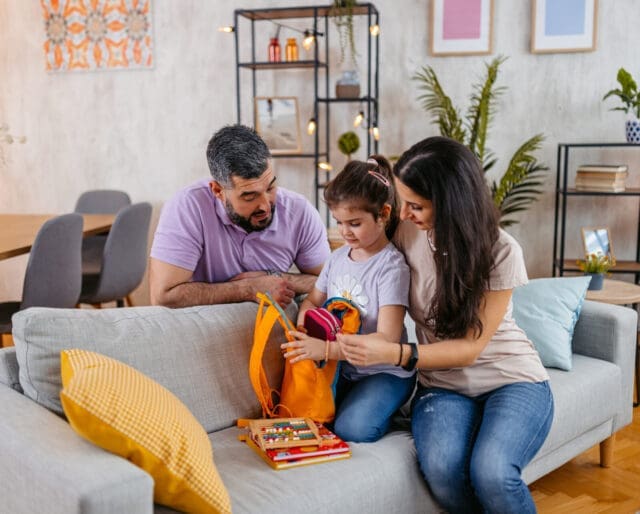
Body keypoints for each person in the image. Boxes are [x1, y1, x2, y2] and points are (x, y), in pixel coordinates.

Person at [337, 137, 554, 513]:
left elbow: (469, 350)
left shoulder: (502, 251)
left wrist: (392, 353)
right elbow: (349, 244)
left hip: (511, 379)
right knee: (442, 468)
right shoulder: (407, 231)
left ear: (453, 204)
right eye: (403, 202)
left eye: (416, 205)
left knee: (493, 472)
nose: (404, 214)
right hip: (443, 388)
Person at [283, 156, 415, 443]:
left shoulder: (391, 267)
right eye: (339, 222)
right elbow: (312, 301)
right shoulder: (337, 258)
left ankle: (400, 410)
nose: (344, 232)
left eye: (354, 223)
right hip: (345, 369)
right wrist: (304, 322)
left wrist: (326, 350)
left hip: (384, 372)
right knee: (308, 416)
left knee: (352, 430)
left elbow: (388, 340)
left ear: (383, 214)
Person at [149, 124, 330, 308]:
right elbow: (163, 297)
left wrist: (277, 279)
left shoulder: (299, 211)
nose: (265, 205)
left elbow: (335, 283)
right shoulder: (188, 207)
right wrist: (247, 289)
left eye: (270, 188)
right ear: (218, 191)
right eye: (249, 196)